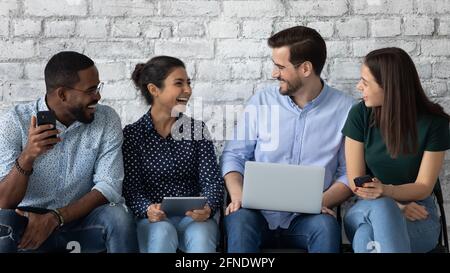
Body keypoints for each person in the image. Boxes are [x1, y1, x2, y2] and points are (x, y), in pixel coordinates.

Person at [221, 26, 355, 253]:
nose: (274, 73)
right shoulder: (262, 101)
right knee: (239, 221)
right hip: (256, 215)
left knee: (326, 227)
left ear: (305, 68)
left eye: (280, 67)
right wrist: (238, 195)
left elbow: (349, 173)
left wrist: (322, 201)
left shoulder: (346, 109)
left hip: (309, 218)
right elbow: (234, 155)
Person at [0, 51, 138, 253]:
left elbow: (109, 186)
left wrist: (56, 217)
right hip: (28, 224)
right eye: (91, 90)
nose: (98, 96)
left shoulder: (106, 119)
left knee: (119, 217)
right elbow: (4, 202)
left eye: (98, 88)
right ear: (62, 94)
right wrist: (28, 156)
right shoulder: (15, 122)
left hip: (79, 220)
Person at [342, 47, 450, 253]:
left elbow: (424, 186)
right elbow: (357, 183)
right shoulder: (360, 115)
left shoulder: (435, 123)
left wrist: (389, 191)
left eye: (365, 82)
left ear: (389, 87)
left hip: (419, 212)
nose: (358, 87)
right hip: (366, 207)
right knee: (383, 209)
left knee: (366, 237)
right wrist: (395, 206)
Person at [122, 56, 224, 253]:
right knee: (163, 231)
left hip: (194, 219)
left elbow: (212, 182)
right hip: (153, 220)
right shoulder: (133, 135)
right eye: (179, 83)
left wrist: (208, 207)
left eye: (188, 83)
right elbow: (131, 189)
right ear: (154, 90)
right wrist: (147, 209)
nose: (188, 90)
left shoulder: (196, 130)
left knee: (201, 235)